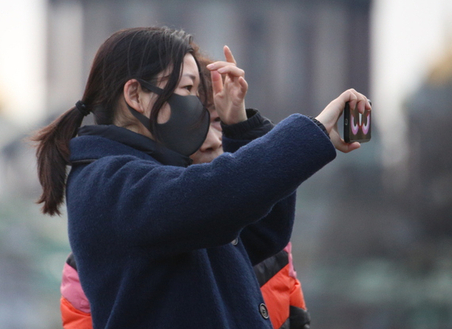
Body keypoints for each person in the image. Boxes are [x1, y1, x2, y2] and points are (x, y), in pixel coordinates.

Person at [35, 26, 369, 328]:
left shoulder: (158, 176)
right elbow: (221, 193)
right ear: (135, 95)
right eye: (187, 89)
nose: (196, 106)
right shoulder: (106, 182)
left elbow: (262, 236)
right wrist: (314, 131)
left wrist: (240, 126)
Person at [58, 59, 311, 329]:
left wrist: (242, 129)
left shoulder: (272, 254)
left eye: (217, 122)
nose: (214, 140)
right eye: (193, 124)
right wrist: (314, 133)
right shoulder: (96, 260)